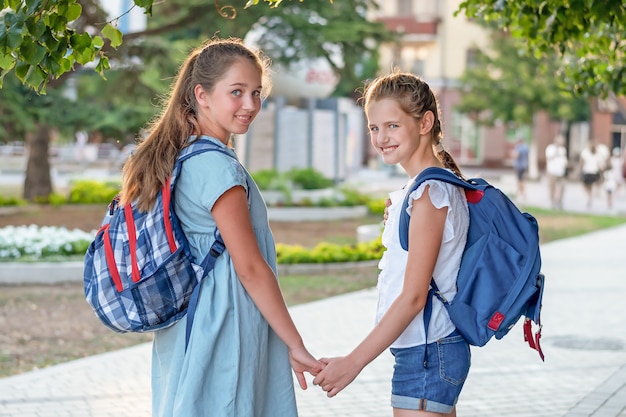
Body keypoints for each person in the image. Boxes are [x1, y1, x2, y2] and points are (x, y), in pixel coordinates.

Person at [119, 37, 322, 417]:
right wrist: (294, 344)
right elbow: (249, 268)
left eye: (256, 93)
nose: (250, 105)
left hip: (188, 324)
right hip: (223, 324)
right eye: (237, 92)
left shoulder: (182, 156)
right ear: (202, 94)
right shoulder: (217, 167)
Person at [313, 70, 471, 416]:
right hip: (428, 351)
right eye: (374, 127)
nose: (381, 137)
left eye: (393, 126)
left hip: (429, 353)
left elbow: (414, 296)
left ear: (425, 122)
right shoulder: (422, 191)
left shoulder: (431, 194)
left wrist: (353, 363)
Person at [544, 134, 568, 209]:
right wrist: (556, 149)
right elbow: (549, 158)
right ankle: (552, 202)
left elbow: (563, 159)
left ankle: (559, 201)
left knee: (563, 186)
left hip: (561, 172)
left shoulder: (563, 149)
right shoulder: (550, 148)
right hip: (552, 171)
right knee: (552, 187)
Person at [579, 142, 602, 209]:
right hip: (594, 172)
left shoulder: (585, 152)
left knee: (586, 186)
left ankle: (588, 197)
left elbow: (581, 162)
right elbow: (599, 164)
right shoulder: (597, 154)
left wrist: (580, 171)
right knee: (590, 186)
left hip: (587, 171)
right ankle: (590, 196)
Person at [512, 137, 530, 202]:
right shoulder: (526, 147)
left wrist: (513, 154)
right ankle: (520, 193)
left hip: (519, 166)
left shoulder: (519, 148)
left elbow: (516, 155)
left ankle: (521, 194)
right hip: (524, 165)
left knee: (520, 180)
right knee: (522, 180)